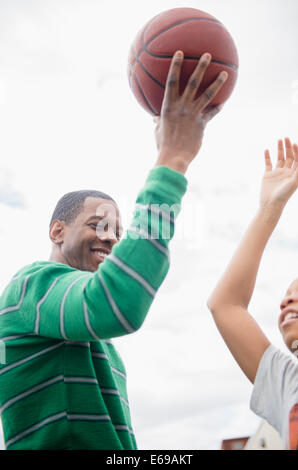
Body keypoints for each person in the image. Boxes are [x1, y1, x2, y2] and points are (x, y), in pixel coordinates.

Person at [0, 51, 228, 450]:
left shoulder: (98, 342)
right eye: (97, 225)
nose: (110, 238)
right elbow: (117, 302)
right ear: (57, 230)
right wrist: (172, 159)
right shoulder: (28, 288)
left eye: (118, 232)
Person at [207, 138, 298, 450]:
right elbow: (225, 305)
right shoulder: (289, 382)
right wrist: (270, 207)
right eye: (287, 293)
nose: (287, 300)